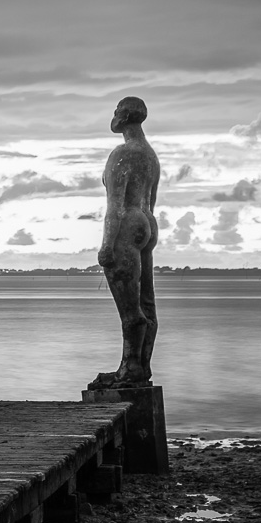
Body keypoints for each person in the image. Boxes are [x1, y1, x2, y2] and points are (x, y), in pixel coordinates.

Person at [88, 96, 160, 391]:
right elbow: (151, 200)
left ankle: (129, 369)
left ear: (126, 116)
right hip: (147, 223)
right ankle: (141, 366)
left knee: (131, 307)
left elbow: (115, 205)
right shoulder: (150, 155)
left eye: (117, 111)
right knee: (147, 304)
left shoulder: (122, 153)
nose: (113, 116)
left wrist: (107, 245)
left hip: (127, 225)